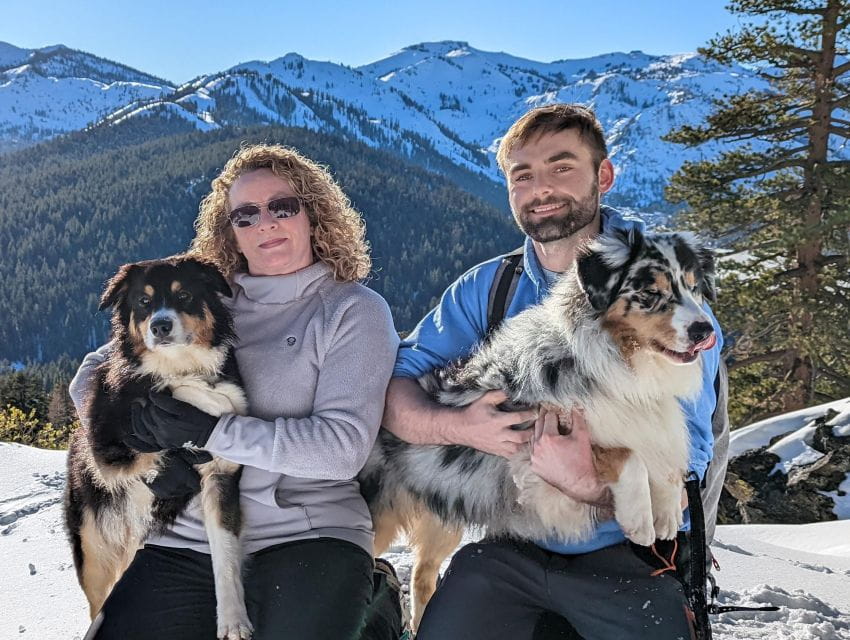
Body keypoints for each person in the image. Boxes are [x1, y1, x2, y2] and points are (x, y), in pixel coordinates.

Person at [382, 104, 728, 639]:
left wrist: (588, 483)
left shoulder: (673, 303)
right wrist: (459, 426)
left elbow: (684, 482)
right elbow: (397, 388)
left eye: (562, 167)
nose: (541, 188)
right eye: (522, 175)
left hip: (636, 554)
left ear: (603, 176)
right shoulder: (489, 288)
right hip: (514, 542)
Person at [68, 144, 404, 640]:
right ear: (230, 232)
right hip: (190, 533)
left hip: (307, 532)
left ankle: (376, 604)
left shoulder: (351, 310)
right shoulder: (208, 299)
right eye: (245, 215)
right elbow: (92, 373)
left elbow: (341, 450)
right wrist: (141, 456)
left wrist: (213, 433)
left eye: (282, 207)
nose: (265, 223)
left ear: (314, 214)